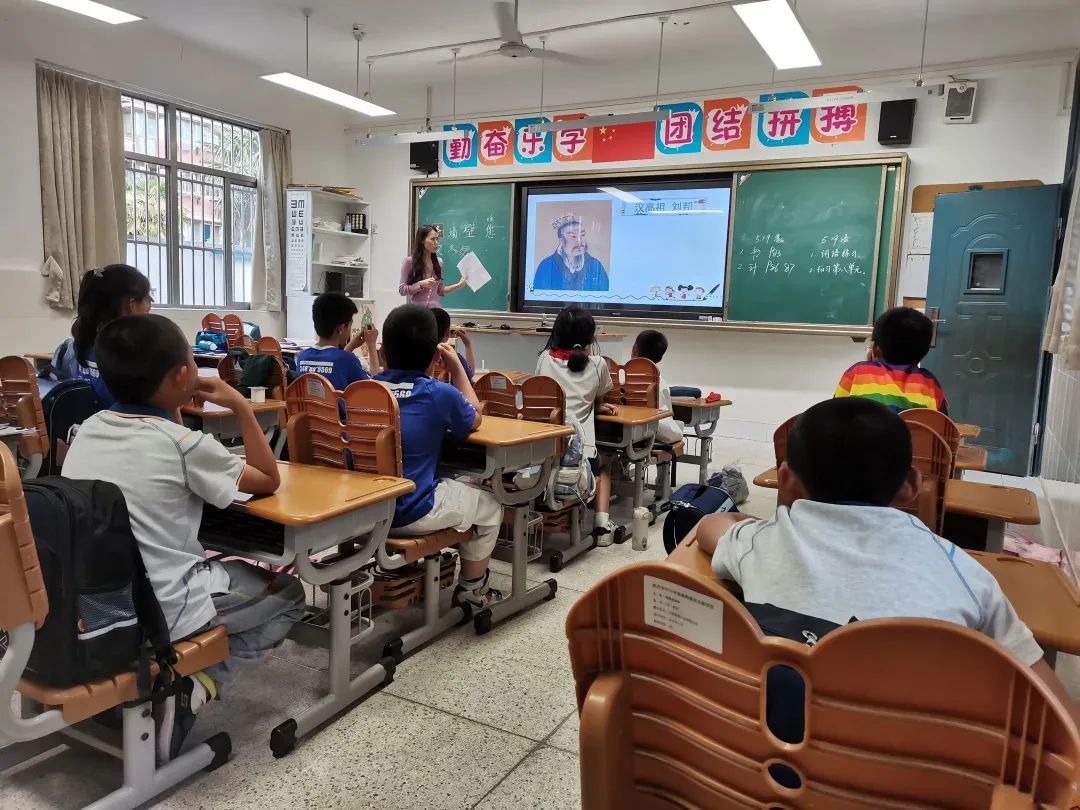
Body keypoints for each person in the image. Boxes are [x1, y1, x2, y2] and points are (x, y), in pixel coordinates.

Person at [690, 398, 1078, 723]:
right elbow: (1055, 715)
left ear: (787, 481)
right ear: (911, 486)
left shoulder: (761, 543)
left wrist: (756, 524)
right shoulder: (965, 574)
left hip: (765, 763)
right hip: (910, 770)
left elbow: (709, 527)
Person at [61, 314, 306, 763]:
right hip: (162, 610)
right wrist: (241, 406)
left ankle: (176, 680)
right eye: (193, 362)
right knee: (290, 594)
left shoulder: (89, 428)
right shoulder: (183, 446)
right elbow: (267, 478)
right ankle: (194, 686)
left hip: (97, 608)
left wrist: (174, 404)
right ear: (180, 376)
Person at [374, 304, 503, 610]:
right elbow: (475, 417)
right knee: (490, 507)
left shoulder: (365, 389)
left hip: (366, 509)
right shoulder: (438, 394)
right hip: (411, 512)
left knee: (447, 480)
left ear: (383, 352)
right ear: (436, 355)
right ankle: (472, 589)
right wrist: (456, 367)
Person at [535, 307, 620, 545]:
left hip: (544, 453)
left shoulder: (544, 359)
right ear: (590, 337)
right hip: (581, 460)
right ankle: (602, 526)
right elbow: (600, 393)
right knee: (606, 465)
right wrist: (598, 405)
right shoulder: (598, 364)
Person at [835, 306, 948, 413]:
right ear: (924, 352)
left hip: (865, 428)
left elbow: (832, 413)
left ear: (876, 349)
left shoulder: (857, 372)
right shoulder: (930, 383)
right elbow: (942, 422)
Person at [67, 264, 153, 406]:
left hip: (92, 419)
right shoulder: (131, 351)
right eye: (147, 299)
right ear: (132, 305)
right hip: (123, 419)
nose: (149, 307)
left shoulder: (81, 342)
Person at [296, 292, 380, 390]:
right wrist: (371, 344)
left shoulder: (302, 357)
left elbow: (334, 361)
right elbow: (375, 389)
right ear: (341, 329)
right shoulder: (348, 360)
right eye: (350, 325)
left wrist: (350, 346)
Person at [631, 329, 682, 445]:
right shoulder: (659, 382)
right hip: (646, 438)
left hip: (618, 435)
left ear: (635, 349)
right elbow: (666, 420)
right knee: (677, 430)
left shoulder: (618, 376)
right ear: (660, 358)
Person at [533, 215, 609, 292]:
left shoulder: (595, 264)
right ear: (561, 241)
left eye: (582, 235)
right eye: (573, 236)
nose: (579, 240)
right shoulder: (547, 265)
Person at [398, 225, 468, 308]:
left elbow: (440, 290)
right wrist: (421, 284)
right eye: (432, 239)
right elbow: (402, 290)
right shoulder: (409, 262)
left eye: (437, 239)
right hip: (417, 312)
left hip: (435, 312)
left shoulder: (439, 263)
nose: (436, 243)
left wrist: (459, 285)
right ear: (422, 240)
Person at [431, 307, 476, 382]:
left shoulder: (417, 356)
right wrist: (467, 345)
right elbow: (469, 375)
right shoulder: (453, 358)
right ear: (447, 332)